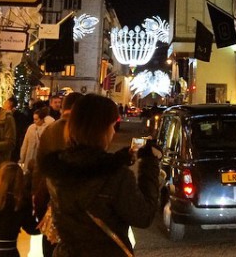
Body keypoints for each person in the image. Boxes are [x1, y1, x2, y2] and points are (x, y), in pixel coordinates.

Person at [40, 94, 161, 256]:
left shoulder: (58, 168)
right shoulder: (116, 177)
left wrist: (119, 159)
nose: (113, 132)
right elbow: (143, 216)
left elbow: (90, 167)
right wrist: (149, 164)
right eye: (111, 125)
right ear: (100, 129)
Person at [34, 92, 83, 257]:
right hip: (75, 209)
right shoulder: (82, 130)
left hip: (51, 203)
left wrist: (38, 203)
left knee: (50, 248)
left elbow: (39, 169)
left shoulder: (50, 129)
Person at [19, 107, 51, 172]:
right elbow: (25, 143)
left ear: (42, 119)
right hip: (30, 155)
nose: (34, 121)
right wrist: (22, 157)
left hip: (40, 157)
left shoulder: (47, 129)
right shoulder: (31, 128)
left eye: (36, 119)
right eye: (34, 119)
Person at [3, 97, 30, 163]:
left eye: (6, 102)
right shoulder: (16, 115)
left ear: (10, 104)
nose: (4, 104)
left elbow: (19, 130)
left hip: (14, 145)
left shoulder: (17, 116)